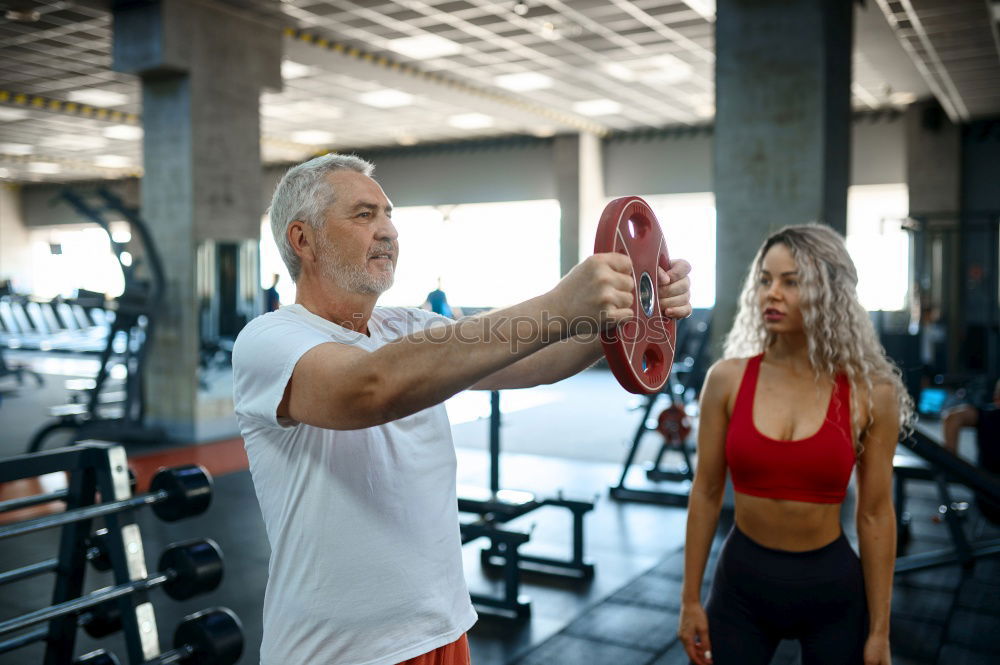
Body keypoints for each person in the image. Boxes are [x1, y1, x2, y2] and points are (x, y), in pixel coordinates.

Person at [232, 153, 693, 665]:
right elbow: (368, 387)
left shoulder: (407, 326)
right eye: (364, 215)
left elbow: (535, 357)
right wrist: (560, 303)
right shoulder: (270, 339)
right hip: (340, 652)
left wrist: (631, 311)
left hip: (444, 631)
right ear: (303, 240)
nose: (386, 231)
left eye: (389, 214)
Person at [678, 224, 913, 665]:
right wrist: (690, 599)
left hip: (831, 590)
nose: (772, 293)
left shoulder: (870, 392)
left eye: (791, 281)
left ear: (829, 292)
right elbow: (706, 492)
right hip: (741, 586)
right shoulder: (726, 379)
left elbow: (876, 513)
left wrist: (880, 631)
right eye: (765, 279)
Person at [942, 378, 1000, 521]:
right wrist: (951, 461)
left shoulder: (988, 416)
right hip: (992, 499)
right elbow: (952, 418)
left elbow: (952, 418)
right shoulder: (989, 417)